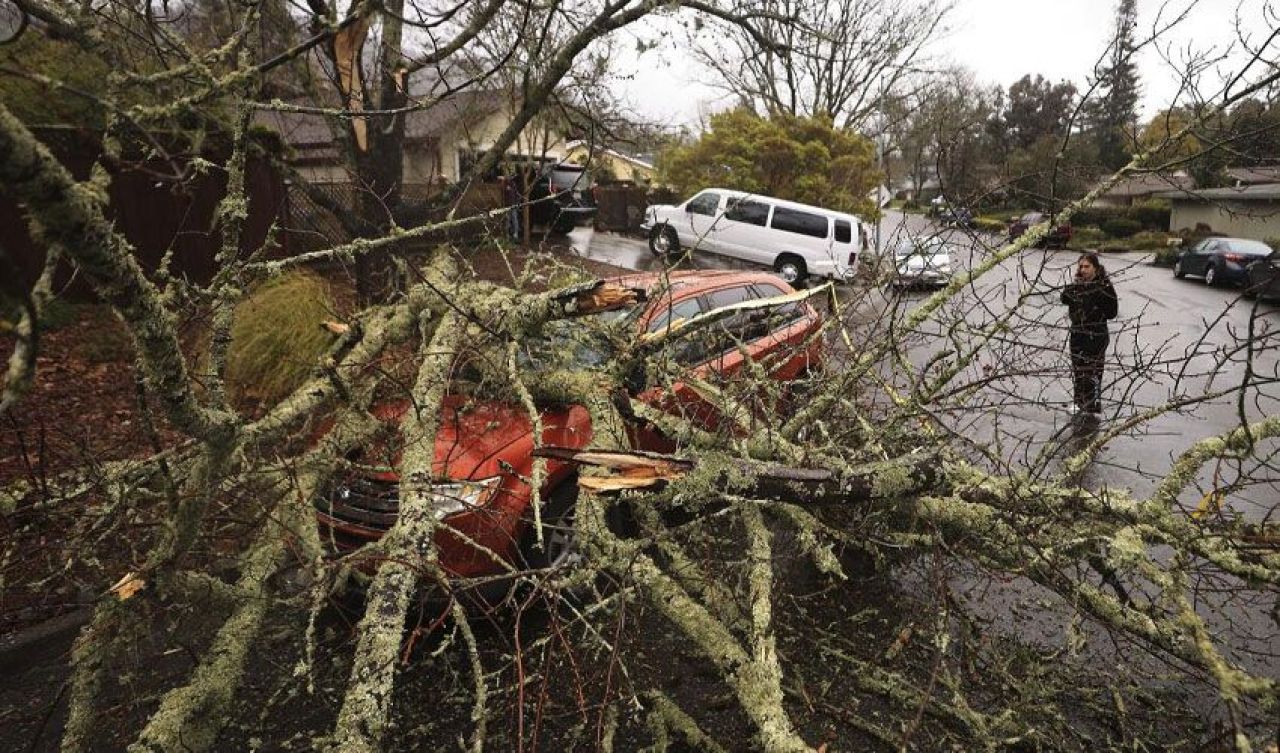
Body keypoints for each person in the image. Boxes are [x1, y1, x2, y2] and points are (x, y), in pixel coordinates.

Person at [1061, 252, 1118, 414]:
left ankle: (1092, 405)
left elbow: (1112, 312)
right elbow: (1064, 298)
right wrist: (1076, 285)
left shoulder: (1104, 286)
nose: (1084, 270)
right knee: (1078, 370)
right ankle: (1079, 402)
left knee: (1092, 371)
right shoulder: (1078, 285)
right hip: (1078, 334)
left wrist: (1095, 299)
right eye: (1081, 267)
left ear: (1096, 268)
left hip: (1096, 335)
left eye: (1087, 266)